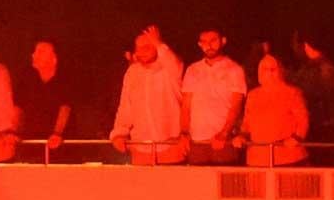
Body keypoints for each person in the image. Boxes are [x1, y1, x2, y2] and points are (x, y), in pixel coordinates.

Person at [111, 26, 188, 165]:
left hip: (171, 146)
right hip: (141, 147)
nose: (141, 52)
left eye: (147, 47)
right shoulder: (132, 72)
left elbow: (172, 61)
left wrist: (158, 42)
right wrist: (119, 133)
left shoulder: (170, 69)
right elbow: (126, 107)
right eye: (138, 48)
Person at [181, 29, 248, 165]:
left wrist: (224, 134)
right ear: (199, 44)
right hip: (197, 143)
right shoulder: (192, 70)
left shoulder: (234, 69)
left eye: (213, 40)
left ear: (223, 41)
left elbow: (236, 105)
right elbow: (186, 106)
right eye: (204, 42)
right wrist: (184, 134)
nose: (209, 45)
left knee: (224, 184)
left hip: (224, 142)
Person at [240, 54, 309, 167]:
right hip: (257, 159)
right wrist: (241, 136)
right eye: (265, 69)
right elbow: (246, 123)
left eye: (273, 69)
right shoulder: (252, 95)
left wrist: (297, 138)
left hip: (289, 158)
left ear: (280, 71)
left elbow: (303, 120)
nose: (269, 72)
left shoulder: (292, 93)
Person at [15, 39, 73, 159]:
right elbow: (18, 108)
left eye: (40, 52)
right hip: (31, 143)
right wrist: (13, 132)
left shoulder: (65, 80)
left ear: (54, 59)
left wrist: (57, 134)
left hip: (60, 145)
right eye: (35, 52)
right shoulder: (26, 77)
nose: (34, 55)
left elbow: (65, 108)